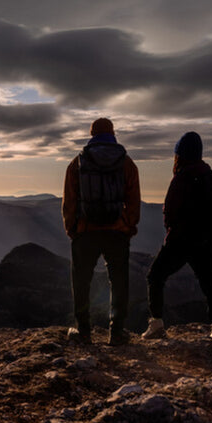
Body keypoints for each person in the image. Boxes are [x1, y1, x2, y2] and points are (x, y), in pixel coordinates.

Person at [62, 118, 141, 346]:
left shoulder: (77, 163)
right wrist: (128, 226)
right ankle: (117, 332)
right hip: (117, 231)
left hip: (85, 232)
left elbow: (70, 201)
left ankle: (84, 331)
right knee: (119, 281)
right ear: (112, 133)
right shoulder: (126, 163)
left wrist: (72, 229)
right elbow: (133, 200)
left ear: (92, 134)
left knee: (82, 280)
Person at [142, 131, 212, 340]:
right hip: (207, 242)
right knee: (210, 284)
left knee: (155, 277)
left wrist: (172, 232)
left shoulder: (182, 177)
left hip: (180, 241)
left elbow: (169, 211)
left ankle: (157, 325)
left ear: (180, 154)